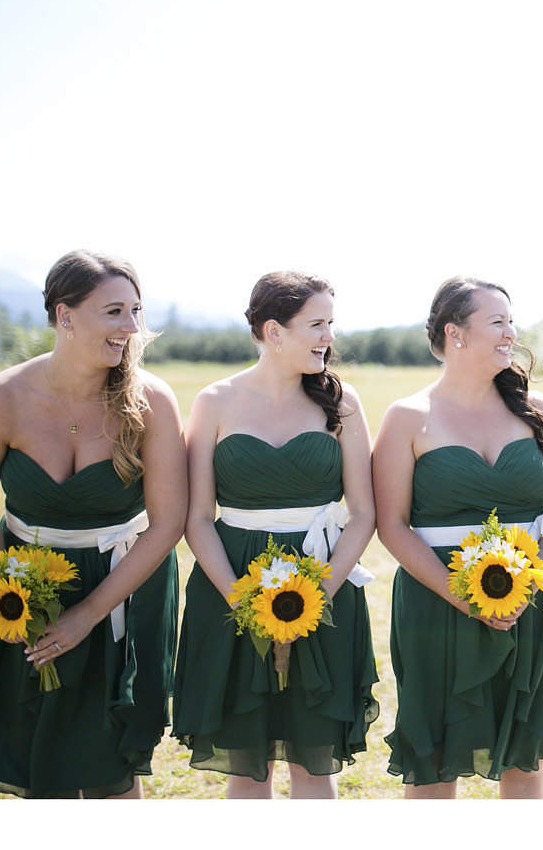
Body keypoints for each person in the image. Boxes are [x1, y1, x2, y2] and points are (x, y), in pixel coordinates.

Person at [0, 250, 186, 798]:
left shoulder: (152, 401)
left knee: (112, 765)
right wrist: (12, 591)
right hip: (23, 589)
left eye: (136, 311)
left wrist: (89, 614)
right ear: (64, 316)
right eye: (114, 311)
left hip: (124, 585)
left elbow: (167, 524)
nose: (131, 328)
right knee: (35, 752)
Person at [171, 271, 379, 797]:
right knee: (248, 765)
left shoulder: (342, 402)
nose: (329, 336)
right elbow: (197, 516)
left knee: (315, 763)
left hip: (323, 583)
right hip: (231, 583)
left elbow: (363, 513)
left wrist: (318, 597)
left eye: (331, 323)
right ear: (274, 331)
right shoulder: (214, 401)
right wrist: (241, 597)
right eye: (316, 324)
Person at [372, 276, 543, 798]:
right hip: (435, 609)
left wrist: (531, 583)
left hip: (527, 609)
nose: (511, 332)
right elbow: (391, 524)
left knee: (526, 763)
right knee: (437, 761)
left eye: (511, 321)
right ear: (455, 334)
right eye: (497, 322)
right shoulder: (407, 417)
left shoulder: (538, 410)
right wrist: (464, 597)